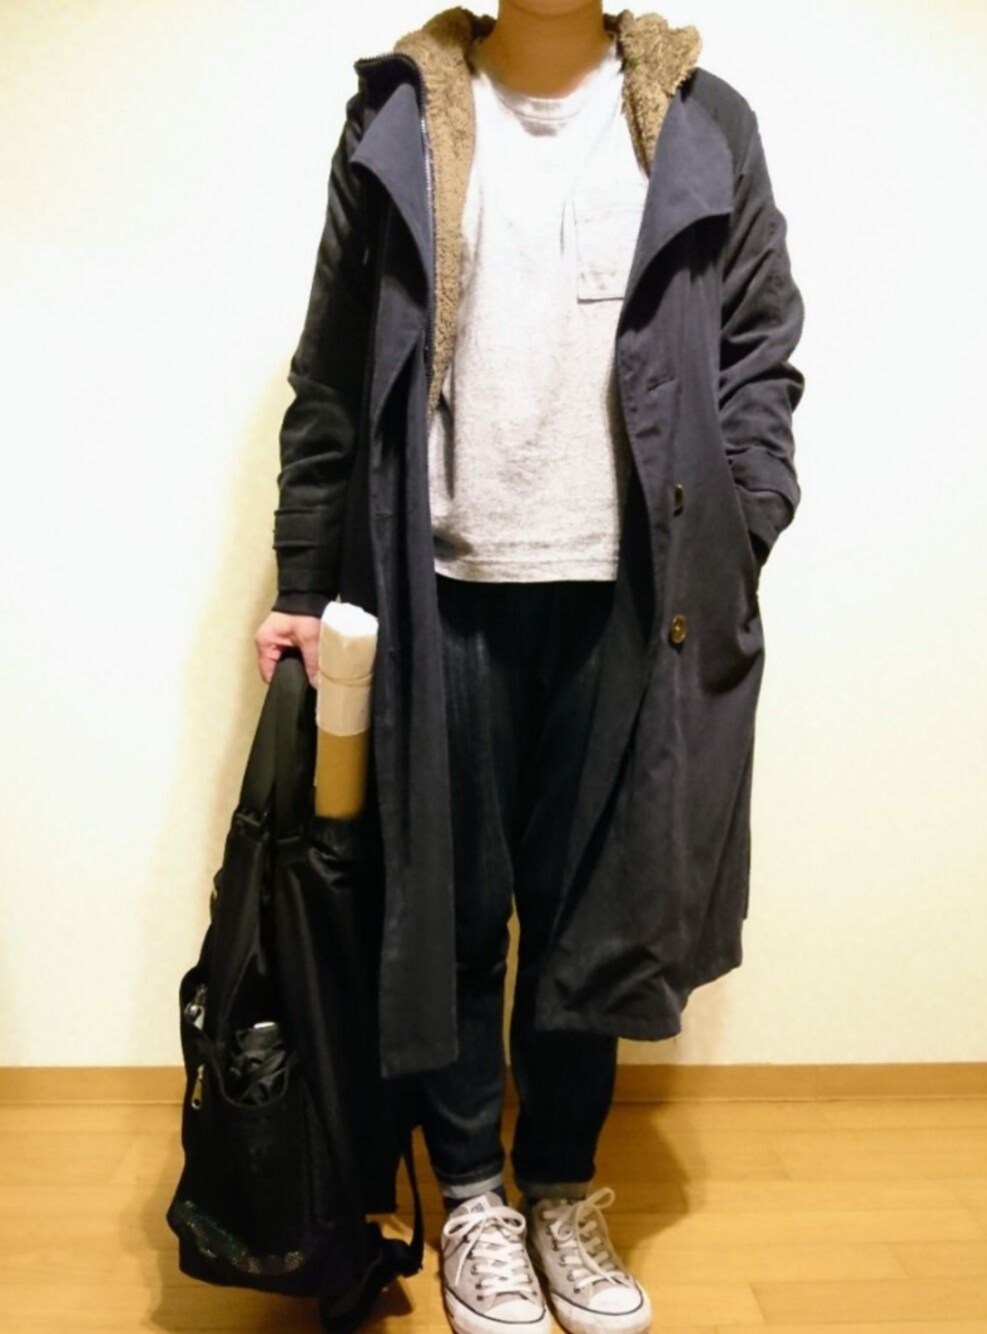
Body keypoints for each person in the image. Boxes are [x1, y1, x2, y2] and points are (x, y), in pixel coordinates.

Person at [255, 4, 806, 1331]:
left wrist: (743, 520)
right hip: (439, 580)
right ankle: (472, 1199)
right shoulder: (399, 117)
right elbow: (330, 374)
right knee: (448, 907)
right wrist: (302, 581)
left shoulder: (708, 123)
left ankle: (559, 1182)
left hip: (637, 598)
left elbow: (758, 350)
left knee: (593, 916)